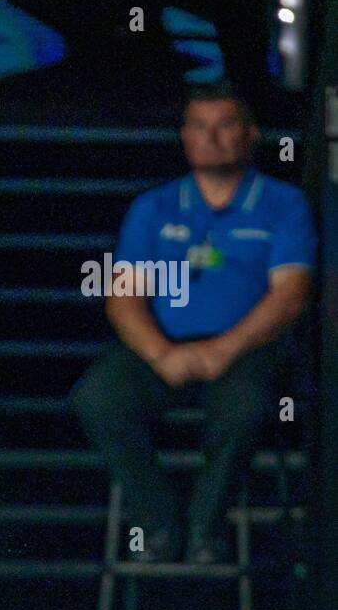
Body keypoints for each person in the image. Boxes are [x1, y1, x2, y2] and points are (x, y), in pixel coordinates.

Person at [71, 84, 314, 564]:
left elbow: (291, 296)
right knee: (97, 397)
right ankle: (160, 525)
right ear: (185, 137)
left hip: (246, 353)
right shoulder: (154, 207)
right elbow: (123, 298)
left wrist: (222, 350)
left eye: (225, 125)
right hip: (165, 351)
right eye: (199, 126)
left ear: (251, 135)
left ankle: (206, 530)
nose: (212, 137)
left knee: (247, 407)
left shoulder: (283, 204)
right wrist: (162, 353)